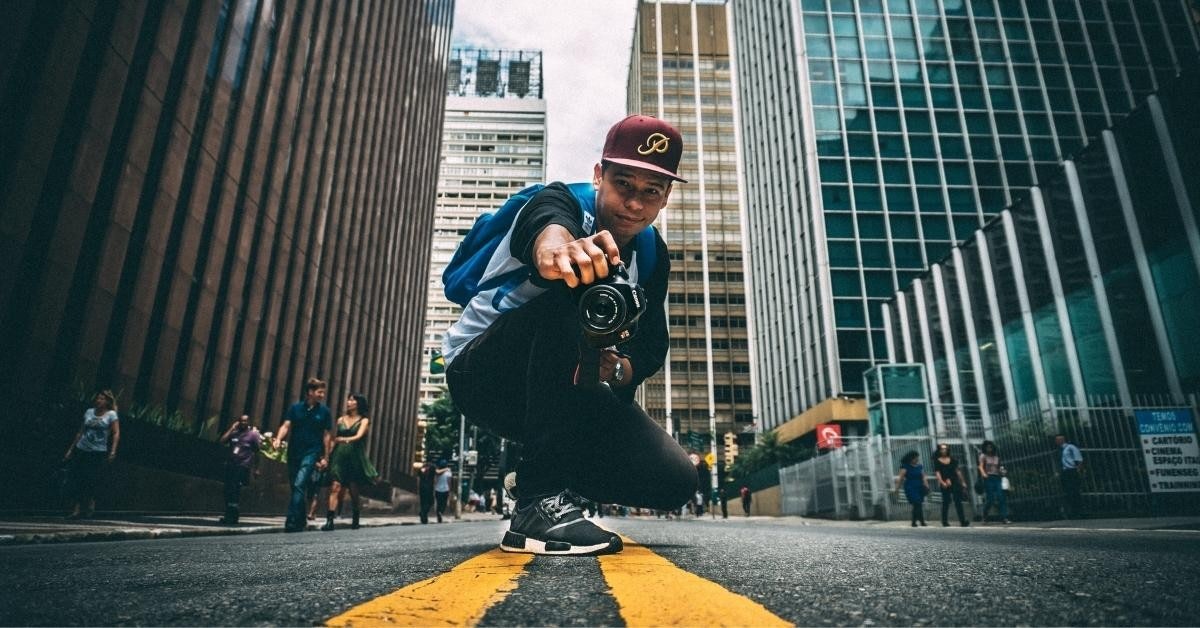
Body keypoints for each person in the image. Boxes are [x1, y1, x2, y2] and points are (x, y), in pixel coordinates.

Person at [442, 115, 696, 555]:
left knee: (675, 480)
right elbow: (546, 229)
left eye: (650, 191)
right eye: (623, 184)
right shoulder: (557, 201)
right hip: (482, 374)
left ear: (666, 197)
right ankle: (537, 504)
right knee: (572, 289)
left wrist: (617, 368)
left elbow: (652, 345)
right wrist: (559, 251)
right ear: (599, 175)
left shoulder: (653, 254)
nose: (634, 204)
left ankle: (539, 469)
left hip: (567, 390)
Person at [273, 377, 333, 532]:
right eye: (319, 392)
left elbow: (327, 435)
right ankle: (300, 520)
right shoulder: (295, 408)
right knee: (295, 486)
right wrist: (278, 439)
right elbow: (286, 425)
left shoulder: (325, 412)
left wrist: (326, 457)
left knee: (300, 483)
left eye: (323, 393)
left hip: (312, 452)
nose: (322, 395)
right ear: (310, 392)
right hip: (293, 451)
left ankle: (291, 520)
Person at [322, 394, 379, 531]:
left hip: (354, 456)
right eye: (349, 399)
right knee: (335, 486)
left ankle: (356, 516)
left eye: (353, 400)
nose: (349, 402)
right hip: (339, 455)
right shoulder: (340, 419)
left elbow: (359, 436)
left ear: (359, 403)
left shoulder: (364, 420)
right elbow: (333, 438)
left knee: (353, 490)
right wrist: (327, 456)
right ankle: (330, 520)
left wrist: (346, 440)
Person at [62, 391, 120, 519]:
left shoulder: (111, 415)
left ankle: (90, 502)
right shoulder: (89, 412)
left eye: (102, 399)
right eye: (98, 398)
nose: (98, 400)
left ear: (107, 402)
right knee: (77, 478)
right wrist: (71, 449)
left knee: (91, 479)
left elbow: (116, 433)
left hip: (98, 452)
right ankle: (76, 510)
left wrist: (113, 451)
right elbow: (81, 431)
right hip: (82, 449)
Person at [218, 414, 262, 524]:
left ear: (248, 422)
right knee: (227, 489)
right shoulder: (234, 433)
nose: (243, 423)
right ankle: (229, 514)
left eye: (245, 421)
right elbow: (222, 441)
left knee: (235, 489)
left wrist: (257, 469)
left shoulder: (253, 435)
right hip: (231, 465)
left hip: (243, 466)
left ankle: (232, 516)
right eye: (241, 421)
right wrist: (232, 428)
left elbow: (257, 453)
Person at [933, 443, 969, 527]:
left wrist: (963, 482)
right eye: (942, 449)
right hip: (945, 482)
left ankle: (962, 521)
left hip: (955, 481)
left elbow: (958, 471)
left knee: (958, 501)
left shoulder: (953, 460)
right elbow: (938, 473)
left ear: (948, 450)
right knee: (946, 502)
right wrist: (942, 482)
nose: (944, 450)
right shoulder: (937, 461)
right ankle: (944, 521)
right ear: (939, 450)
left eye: (945, 448)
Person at [977, 440, 1010, 524]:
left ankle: (1004, 518)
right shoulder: (983, 456)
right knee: (990, 499)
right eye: (987, 447)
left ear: (993, 448)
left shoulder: (996, 457)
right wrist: (984, 474)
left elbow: (1000, 467)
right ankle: (985, 516)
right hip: (988, 478)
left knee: (1001, 497)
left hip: (997, 477)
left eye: (990, 447)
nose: (989, 448)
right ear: (985, 448)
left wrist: (1002, 471)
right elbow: (980, 466)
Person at [895, 450, 928, 527]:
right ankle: (917, 521)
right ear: (911, 458)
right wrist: (896, 489)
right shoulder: (905, 467)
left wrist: (926, 485)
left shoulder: (920, 466)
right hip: (910, 487)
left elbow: (923, 476)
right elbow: (900, 478)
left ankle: (918, 521)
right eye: (915, 458)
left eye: (917, 458)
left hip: (919, 487)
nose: (917, 459)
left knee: (918, 504)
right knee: (917, 503)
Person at [1056, 434, 1085, 519]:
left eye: (1058, 440)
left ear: (1063, 440)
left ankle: (1079, 511)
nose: (1056, 442)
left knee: (1075, 491)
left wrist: (1078, 470)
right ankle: (1072, 511)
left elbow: (1079, 459)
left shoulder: (1071, 447)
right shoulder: (1059, 450)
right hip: (1065, 472)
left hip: (1072, 470)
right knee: (1068, 491)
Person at [434, 459, 452, 523]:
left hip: (438, 489)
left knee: (438, 503)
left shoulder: (437, 471)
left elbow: (435, 480)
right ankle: (441, 512)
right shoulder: (448, 472)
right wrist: (450, 490)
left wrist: (434, 488)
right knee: (444, 504)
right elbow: (449, 482)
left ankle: (438, 513)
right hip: (445, 489)